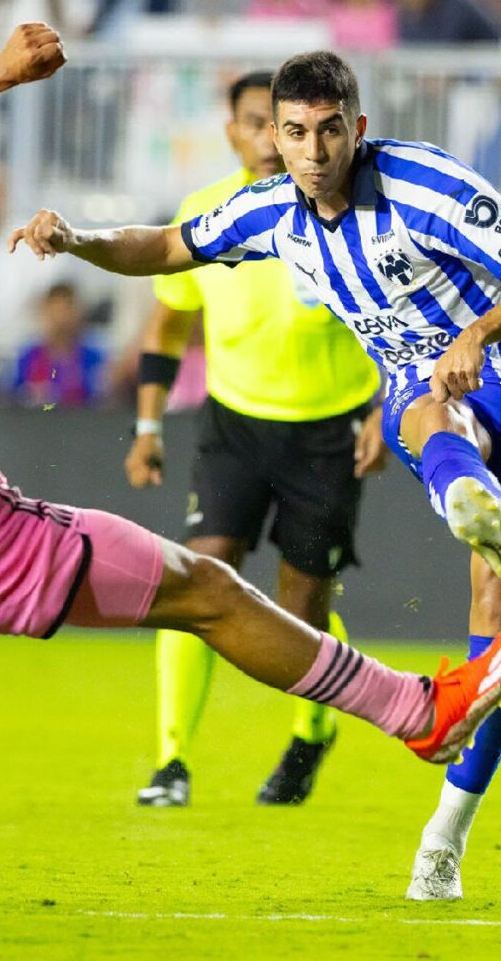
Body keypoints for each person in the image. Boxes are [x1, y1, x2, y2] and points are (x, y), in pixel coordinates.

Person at [9, 48, 501, 902]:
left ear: (356, 128)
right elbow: (169, 246)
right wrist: (78, 239)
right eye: (294, 134)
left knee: (500, 627)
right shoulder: (273, 210)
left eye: (327, 132)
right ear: (274, 138)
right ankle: (471, 496)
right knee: (432, 431)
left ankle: (445, 829)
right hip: (422, 392)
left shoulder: (425, 185)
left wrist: (481, 334)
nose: (312, 152)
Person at [125, 70, 387, 808]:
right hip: (234, 422)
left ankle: (312, 731)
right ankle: (170, 761)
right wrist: (147, 423)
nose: (270, 140)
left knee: (299, 605)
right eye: (254, 124)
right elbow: (170, 318)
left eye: (282, 127)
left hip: (328, 429)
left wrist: (380, 412)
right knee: (199, 578)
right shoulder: (208, 214)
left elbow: (385, 317)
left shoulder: (345, 210)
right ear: (235, 131)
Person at [7, 280, 108, 408]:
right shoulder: (28, 357)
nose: (61, 318)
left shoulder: (94, 357)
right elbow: (11, 398)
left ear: (78, 313)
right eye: (56, 311)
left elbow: (103, 396)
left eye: (66, 310)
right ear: (45, 312)